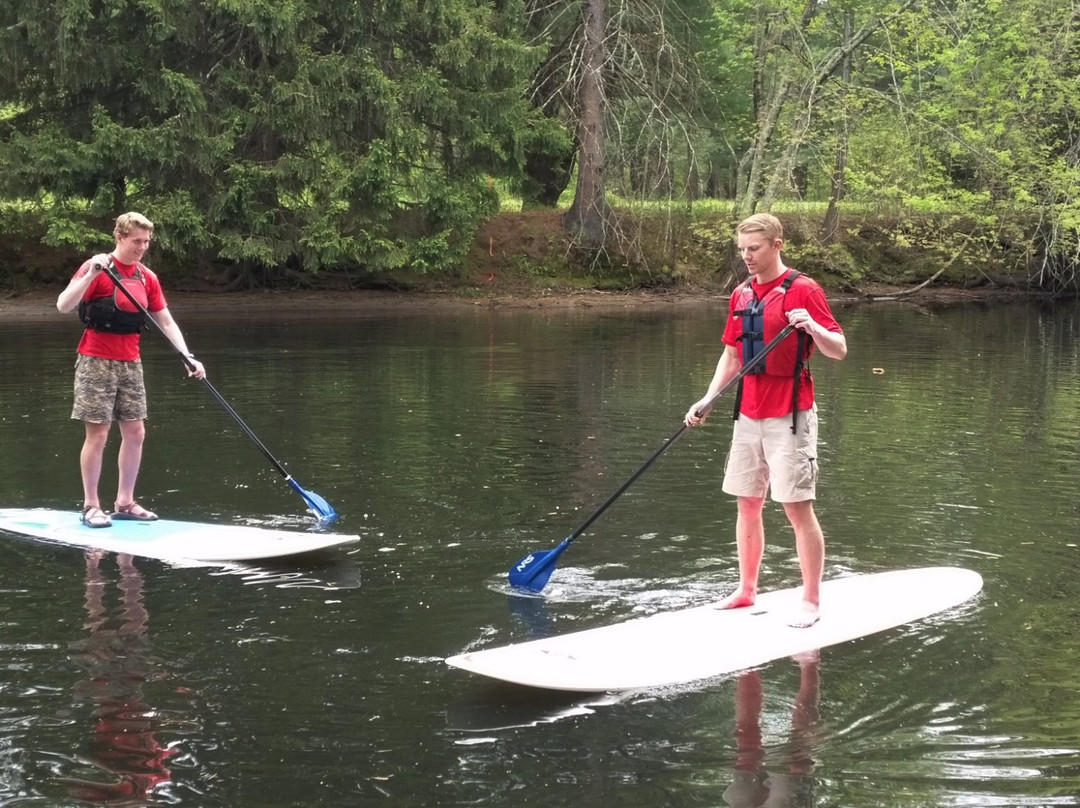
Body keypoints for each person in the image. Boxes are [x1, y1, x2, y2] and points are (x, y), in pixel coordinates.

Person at [685, 213, 846, 628]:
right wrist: (708, 399)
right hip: (748, 413)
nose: (747, 257)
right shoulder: (741, 295)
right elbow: (733, 354)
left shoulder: (804, 289)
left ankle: (810, 601)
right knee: (747, 502)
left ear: (777, 244)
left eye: (753, 249)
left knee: (796, 508)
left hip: (790, 414)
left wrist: (812, 326)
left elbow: (839, 349)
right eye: (742, 250)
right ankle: (746, 590)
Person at [56, 212, 206, 528]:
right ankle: (91, 506)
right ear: (120, 238)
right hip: (96, 359)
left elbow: (165, 320)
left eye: (146, 242)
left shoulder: (146, 277)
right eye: (136, 241)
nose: (142, 247)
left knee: (136, 432)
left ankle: (125, 502)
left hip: (130, 362)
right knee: (98, 434)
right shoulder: (97, 267)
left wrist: (187, 356)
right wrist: (91, 273)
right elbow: (64, 305)